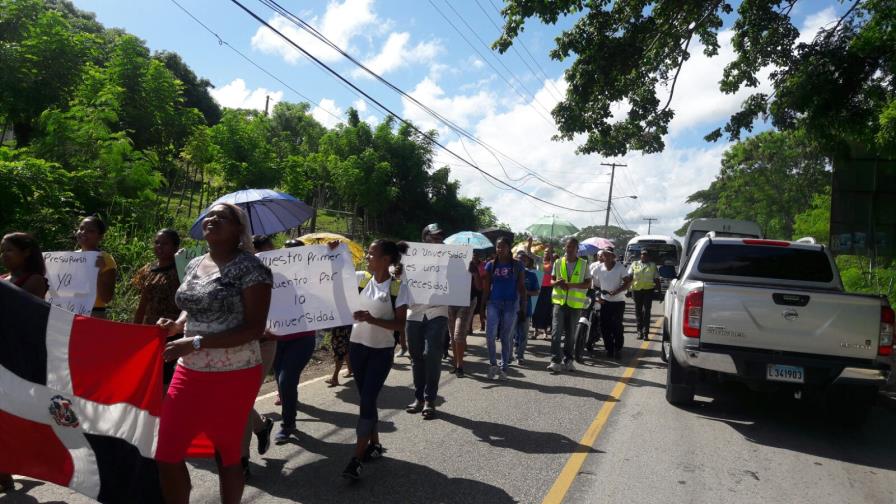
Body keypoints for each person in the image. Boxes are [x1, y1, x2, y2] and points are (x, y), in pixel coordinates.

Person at [155, 202, 272, 504]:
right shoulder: (195, 263)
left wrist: (195, 342)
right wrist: (176, 325)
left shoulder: (252, 269)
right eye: (210, 215)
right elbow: (191, 306)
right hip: (189, 370)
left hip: (235, 373)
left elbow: (255, 328)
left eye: (223, 217)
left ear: (238, 229)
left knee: (226, 453)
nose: (213, 220)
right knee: (166, 453)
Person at [342, 240, 410, 480]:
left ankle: (356, 459)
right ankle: (376, 445)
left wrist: (372, 319)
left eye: (371, 254)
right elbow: (334, 275)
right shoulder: (361, 279)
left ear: (386, 259)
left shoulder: (398, 288)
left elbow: (400, 325)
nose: (367, 257)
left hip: (381, 351)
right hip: (357, 347)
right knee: (366, 400)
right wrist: (330, 252)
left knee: (368, 399)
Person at [0, 232, 48, 493]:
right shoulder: (3, 280)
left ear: (26, 252)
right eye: (2, 250)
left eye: (9, 250)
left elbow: (20, 311)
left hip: (19, 357)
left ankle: (7, 471)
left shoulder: (35, 281)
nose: (3, 255)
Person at [239, 234, 279, 478]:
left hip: (263, 344)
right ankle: (262, 427)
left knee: (242, 401)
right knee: (237, 400)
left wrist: (329, 254)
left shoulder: (274, 275)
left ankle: (241, 460)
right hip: (231, 345)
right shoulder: (224, 271)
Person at [270, 239, 316, 446]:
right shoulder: (274, 275)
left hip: (302, 338)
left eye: (294, 253)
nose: (290, 257)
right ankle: (289, 404)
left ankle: (288, 424)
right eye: (286, 252)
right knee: (280, 379)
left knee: (286, 380)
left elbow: (334, 276)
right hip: (276, 338)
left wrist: (332, 254)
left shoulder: (314, 275)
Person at [404, 224, 450, 419]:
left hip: (437, 312)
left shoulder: (451, 258)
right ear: (424, 239)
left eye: (440, 238)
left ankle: (430, 399)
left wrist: (468, 271)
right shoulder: (411, 255)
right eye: (433, 237)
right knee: (416, 357)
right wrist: (396, 270)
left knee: (432, 354)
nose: (437, 241)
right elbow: (395, 271)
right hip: (414, 313)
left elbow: (460, 281)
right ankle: (419, 398)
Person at [133, 229, 182, 386]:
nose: (159, 246)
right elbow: (142, 303)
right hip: (150, 328)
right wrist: (135, 328)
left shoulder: (182, 270)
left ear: (175, 247)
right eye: (157, 242)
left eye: (165, 243)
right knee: (147, 371)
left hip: (171, 330)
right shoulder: (148, 269)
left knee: (164, 373)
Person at [482, 237, 526, 380]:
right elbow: (486, 287)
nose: (500, 249)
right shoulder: (490, 265)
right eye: (498, 247)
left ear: (509, 248)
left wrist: (523, 307)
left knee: (506, 337)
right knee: (490, 335)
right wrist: (482, 307)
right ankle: (493, 365)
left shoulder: (517, 265)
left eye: (503, 246)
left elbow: (521, 287)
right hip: (493, 303)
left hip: (511, 304)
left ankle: (503, 368)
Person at [548, 238, 591, 373]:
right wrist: (557, 283)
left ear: (577, 249)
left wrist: (570, 285)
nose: (570, 249)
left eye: (572, 247)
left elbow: (588, 284)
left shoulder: (583, 264)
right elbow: (551, 281)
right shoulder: (558, 262)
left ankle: (568, 360)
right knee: (556, 333)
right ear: (564, 248)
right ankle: (555, 361)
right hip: (559, 303)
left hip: (575, 305)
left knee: (570, 335)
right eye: (568, 247)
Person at [448, 251, 483, 378]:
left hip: (466, 302)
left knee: (458, 334)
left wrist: (475, 273)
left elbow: (479, 287)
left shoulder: (470, 268)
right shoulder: (447, 269)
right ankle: (456, 362)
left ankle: (460, 366)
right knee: (452, 334)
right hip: (450, 302)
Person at [592, 247, 631, 359]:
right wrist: (598, 295)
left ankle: (618, 348)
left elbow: (627, 283)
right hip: (604, 301)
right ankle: (609, 349)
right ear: (602, 256)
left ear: (613, 256)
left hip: (618, 302)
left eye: (609, 254)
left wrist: (617, 291)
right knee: (604, 326)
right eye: (605, 254)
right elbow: (594, 285)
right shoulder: (598, 268)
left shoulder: (620, 267)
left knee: (616, 326)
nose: (607, 256)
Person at [75, 215, 116, 318]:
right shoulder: (70, 258)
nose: (83, 232)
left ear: (100, 237)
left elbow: (106, 298)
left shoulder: (106, 259)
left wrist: (98, 273)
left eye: (90, 231)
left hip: (94, 314)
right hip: (69, 311)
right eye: (81, 228)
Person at [513, 251, 540, 364]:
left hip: (526, 309)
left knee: (524, 334)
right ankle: (514, 348)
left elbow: (537, 292)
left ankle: (520, 356)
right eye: (519, 259)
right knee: (512, 332)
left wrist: (525, 292)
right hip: (512, 308)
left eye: (524, 260)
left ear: (528, 262)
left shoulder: (532, 275)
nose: (522, 262)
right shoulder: (511, 273)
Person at [629, 249, 660, 340]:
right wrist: (627, 289)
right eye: (643, 254)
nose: (644, 256)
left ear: (649, 256)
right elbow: (630, 277)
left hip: (648, 290)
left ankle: (645, 333)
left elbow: (656, 279)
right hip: (636, 290)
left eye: (646, 255)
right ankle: (639, 332)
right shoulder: (634, 264)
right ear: (640, 255)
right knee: (638, 311)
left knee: (646, 312)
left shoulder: (653, 265)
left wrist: (659, 291)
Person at [532, 243, 556, 339]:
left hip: (548, 288)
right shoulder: (539, 260)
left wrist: (550, 250)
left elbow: (553, 262)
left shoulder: (553, 262)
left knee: (546, 309)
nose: (546, 253)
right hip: (538, 287)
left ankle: (545, 331)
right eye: (545, 252)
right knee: (536, 309)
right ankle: (536, 330)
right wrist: (529, 244)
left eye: (548, 252)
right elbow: (529, 253)